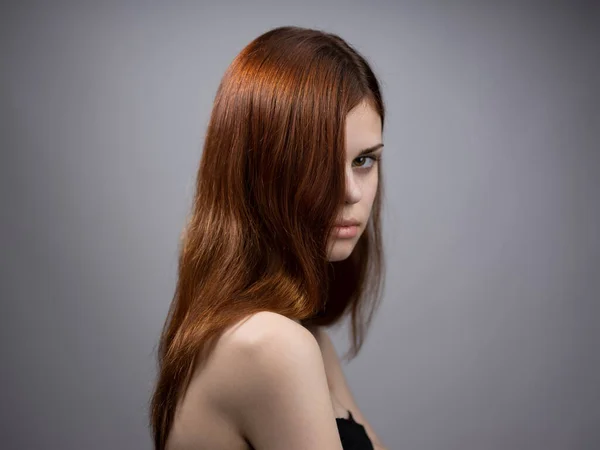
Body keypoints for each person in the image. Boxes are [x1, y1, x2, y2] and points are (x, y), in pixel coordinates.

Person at [149, 25, 389, 450]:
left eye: (364, 160)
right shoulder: (271, 345)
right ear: (259, 170)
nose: (351, 192)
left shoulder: (307, 342)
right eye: (320, 162)